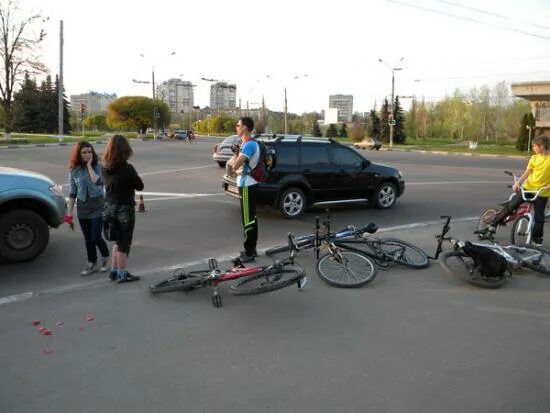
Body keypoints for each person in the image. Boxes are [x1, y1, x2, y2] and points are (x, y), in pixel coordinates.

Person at [486, 135, 550, 245]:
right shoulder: (534, 158)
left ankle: (537, 239)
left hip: (542, 192)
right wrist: (518, 183)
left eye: (535, 146)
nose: (533, 148)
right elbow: (527, 173)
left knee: (539, 217)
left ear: (542, 146)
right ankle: (494, 223)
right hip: (528, 188)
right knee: (511, 205)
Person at [102, 135, 144, 283]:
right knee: (124, 244)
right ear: (126, 150)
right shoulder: (127, 168)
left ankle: (113, 271)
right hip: (125, 209)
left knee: (117, 241)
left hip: (109, 208)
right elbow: (140, 186)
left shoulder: (105, 168)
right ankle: (122, 274)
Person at [67, 141, 110, 276]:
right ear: (79, 154)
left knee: (96, 236)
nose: (87, 155)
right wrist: (69, 213)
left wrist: (90, 165)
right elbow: (73, 192)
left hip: (98, 206)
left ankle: (105, 257)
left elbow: (97, 181)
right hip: (83, 208)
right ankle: (91, 263)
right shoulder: (74, 171)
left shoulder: (98, 167)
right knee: (88, 238)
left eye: (89, 152)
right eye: (84, 152)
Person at [228, 116, 260, 263]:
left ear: (245, 127)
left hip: (247, 185)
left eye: (238, 125)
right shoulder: (246, 144)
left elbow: (234, 166)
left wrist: (235, 153)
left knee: (248, 220)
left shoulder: (248, 145)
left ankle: (249, 252)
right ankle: (252, 249)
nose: (236, 127)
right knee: (251, 218)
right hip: (248, 183)